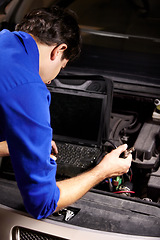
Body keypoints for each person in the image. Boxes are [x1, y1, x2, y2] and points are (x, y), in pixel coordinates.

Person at [0, 5, 132, 219]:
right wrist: (104, 170)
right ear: (58, 50)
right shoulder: (29, 90)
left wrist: (12, 146)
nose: (52, 79)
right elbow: (42, 204)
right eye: (63, 66)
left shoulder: (3, 38)